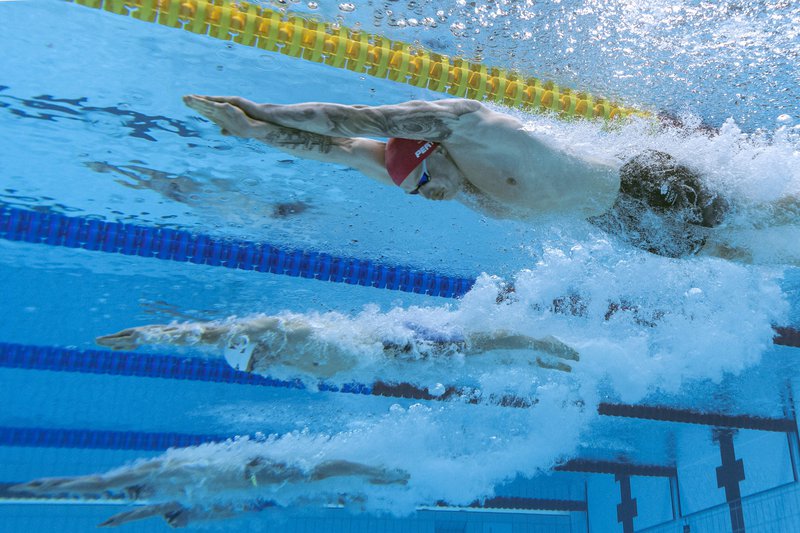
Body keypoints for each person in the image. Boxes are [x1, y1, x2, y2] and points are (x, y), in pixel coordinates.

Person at [181, 95, 798, 263]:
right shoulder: (418, 170)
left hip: (646, 185)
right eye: (418, 191)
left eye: (425, 184)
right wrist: (250, 132)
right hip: (613, 218)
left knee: (749, 216)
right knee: (723, 253)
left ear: (433, 154)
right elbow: (340, 148)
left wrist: (260, 108)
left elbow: (357, 118)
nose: (429, 199)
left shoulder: (471, 131)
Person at [96, 312, 580, 375]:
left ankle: (537, 339)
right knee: (469, 363)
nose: (261, 365)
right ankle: (537, 356)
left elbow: (206, 335)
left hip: (395, 340)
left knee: (474, 346)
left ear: (255, 344)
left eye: (256, 357)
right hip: (393, 361)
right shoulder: (277, 363)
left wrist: (147, 336)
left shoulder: (277, 331)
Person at [11, 453, 409, 528]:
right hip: (254, 477)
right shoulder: (176, 492)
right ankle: (377, 475)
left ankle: (380, 472)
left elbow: (99, 483)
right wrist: (122, 517)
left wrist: (51, 484)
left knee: (316, 474)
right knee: (316, 478)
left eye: (131, 494)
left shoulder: (158, 471)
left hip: (252, 473)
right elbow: (156, 509)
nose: (134, 497)